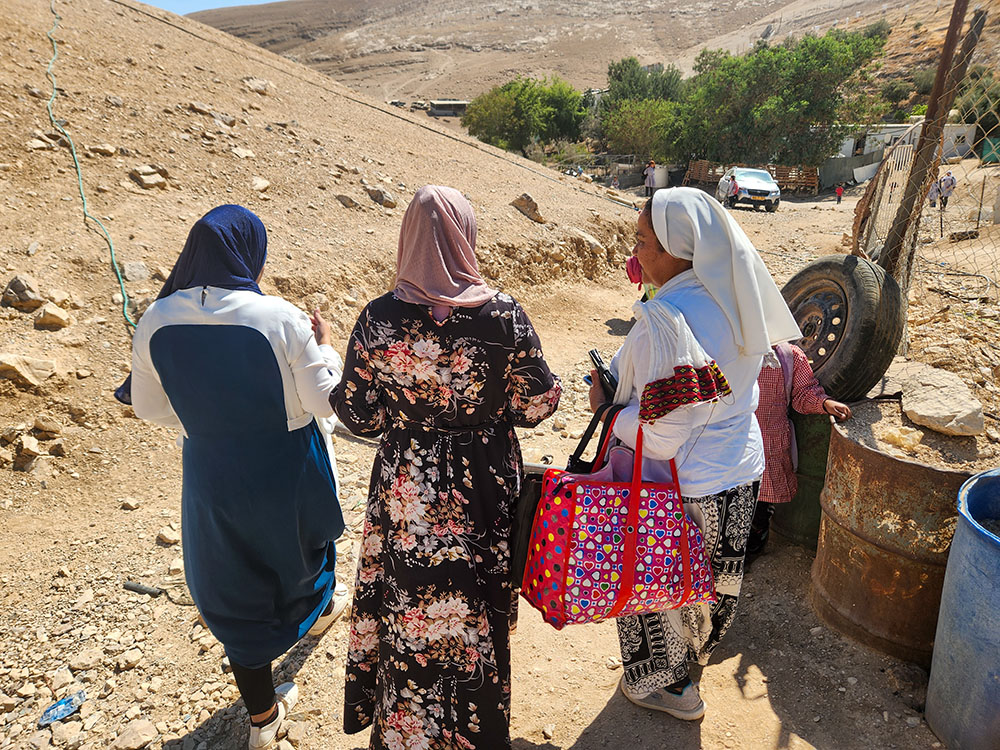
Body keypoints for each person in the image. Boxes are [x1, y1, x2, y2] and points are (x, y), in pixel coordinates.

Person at [333, 185, 562, 750]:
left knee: (407, 601)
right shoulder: (502, 317)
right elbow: (537, 405)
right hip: (481, 480)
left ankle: (405, 731)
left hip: (407, 482)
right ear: (467, 236)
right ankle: (475, 732)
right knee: (473, 606)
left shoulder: (378, 320)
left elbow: (358, 416)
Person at [129, 205, 347, 749]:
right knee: (304, 556)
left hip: (211, 471)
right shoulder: (280, 317)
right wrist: (326, 347)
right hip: (287, 467)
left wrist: (210, 417)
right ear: (252, 251)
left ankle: (262, 721)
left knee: (232, 582)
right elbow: (326, 402)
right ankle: (317, 612)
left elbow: (149, 408)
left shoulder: (156, 319)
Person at [589, 187, 800, 721]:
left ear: (678, 249)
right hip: (738, 471)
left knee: (655, 586)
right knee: (712, 579)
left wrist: (608, 410)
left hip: (683, 483)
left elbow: (660, 437)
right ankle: (697, 653)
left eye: (642, 242)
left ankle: (669, 686)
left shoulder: (669, 320)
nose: (635, 254)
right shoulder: (738, 298)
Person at [747, 343, 851, 555]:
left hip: (770, 445)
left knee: (760, 505)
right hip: (735, 442)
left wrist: (825, 403)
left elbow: (804, 393)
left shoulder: (788, 356)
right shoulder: (732, 348)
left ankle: (752, 548)